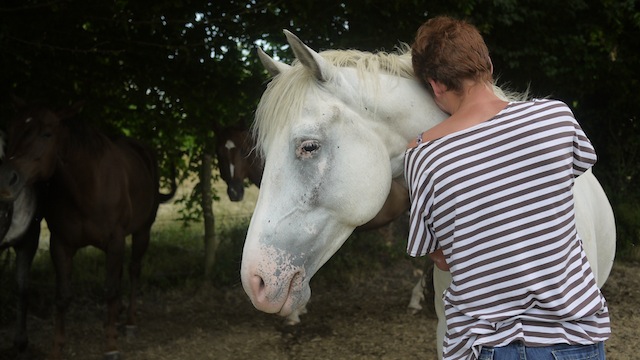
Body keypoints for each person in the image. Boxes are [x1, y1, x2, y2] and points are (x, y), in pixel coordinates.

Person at [404, 16, 610, 360]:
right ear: (489, 65)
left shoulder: (422, 156)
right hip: (575, 336)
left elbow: (441, 258)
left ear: (436, 85)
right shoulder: (556, 117)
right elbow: (568, 179)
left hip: (486, 345)